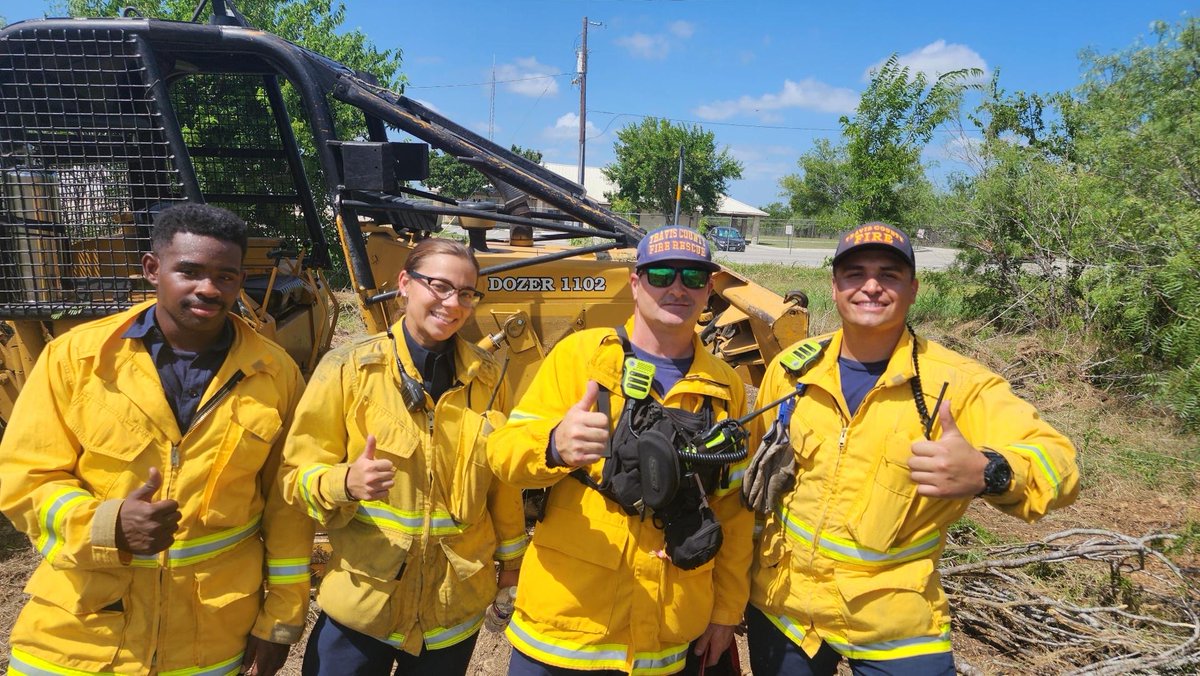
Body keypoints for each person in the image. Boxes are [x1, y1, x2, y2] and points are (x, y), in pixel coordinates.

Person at [742, 221, 1080, 675]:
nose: (871, 286)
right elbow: (751, 480)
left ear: (914, 289)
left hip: (896, 622)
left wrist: (990, 472)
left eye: (890, 274)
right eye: (855, 273)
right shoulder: (791, 371)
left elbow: (1059, 464)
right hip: (783, 609)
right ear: (835, 286)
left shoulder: (958, 385)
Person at [0, 203, 311, 676]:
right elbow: (24, 477)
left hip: (209, 640)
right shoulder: (76, 359)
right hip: (80, 637)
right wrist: (107, 526)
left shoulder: (274, 373)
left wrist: (281, 622)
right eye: (189, 271)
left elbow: (288, 507)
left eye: (225, 277)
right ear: (152, 269)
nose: (208, 288)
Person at [488, 225, 753, 675]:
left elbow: (733, 508)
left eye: (693, 277)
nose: (677, 288)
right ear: (635, 283)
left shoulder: (725, 387)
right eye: (662, 274)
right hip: (564, 632)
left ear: (709, 289)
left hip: (664, 642)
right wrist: (553, 446)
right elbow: (504, 454)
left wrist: (726, 611)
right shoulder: (581, 357)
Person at [281, 238, 527, 676]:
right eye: (440, 286)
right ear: (404, 285)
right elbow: (294, 476)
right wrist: (345, 483)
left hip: (451, 613)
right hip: (364, 607)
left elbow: (502, 487)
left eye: (466, 293)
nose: (453, 303)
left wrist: (510, 569)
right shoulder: (348, 370)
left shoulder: (488, 380)